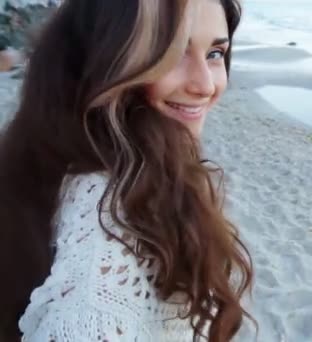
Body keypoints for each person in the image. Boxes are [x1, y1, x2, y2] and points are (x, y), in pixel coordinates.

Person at [0, 0, 254, 341]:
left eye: (215, 53)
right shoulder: (107, 207)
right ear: (106, 60)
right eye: (174, 52)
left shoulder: (49, 157)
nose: (206, 85)